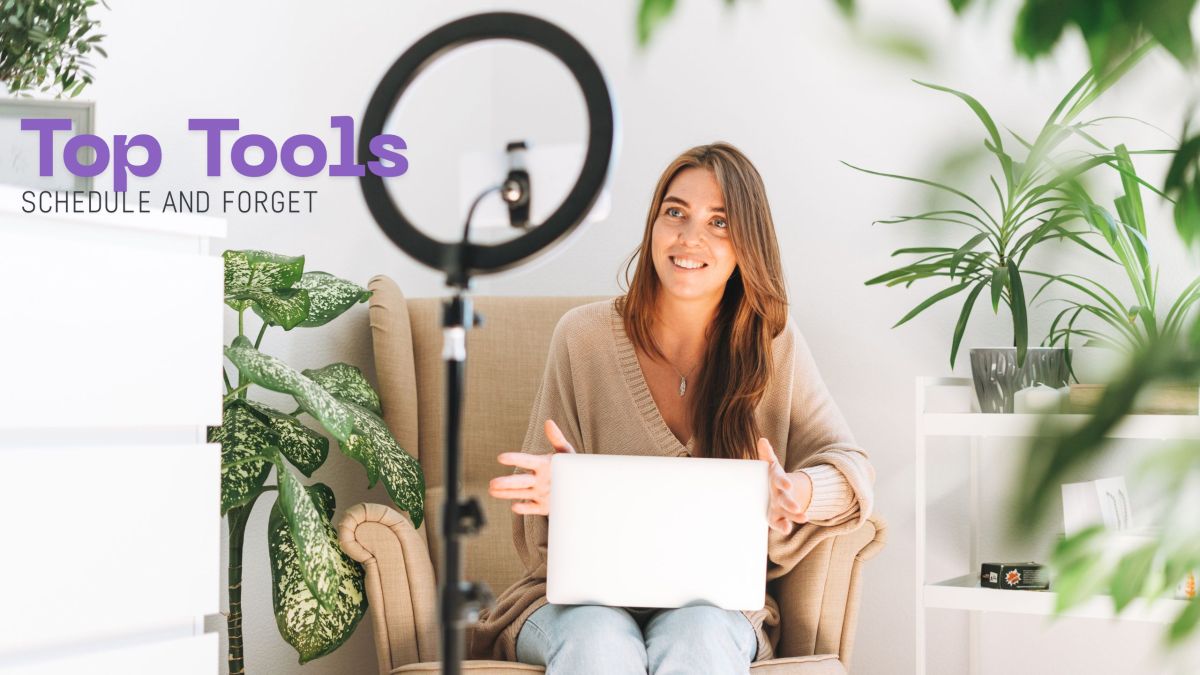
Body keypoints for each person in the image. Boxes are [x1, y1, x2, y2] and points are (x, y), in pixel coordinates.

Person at [467, 142, 875, 674]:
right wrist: (563, 492)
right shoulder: (582, 337)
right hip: (575, 607)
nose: (689, 237)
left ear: (748, 243)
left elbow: (853, 470)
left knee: (699, 636)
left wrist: (796, 493)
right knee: (598, 639)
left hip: (713, 611)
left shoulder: (772, 345)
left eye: (720, 222)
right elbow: (536, 538)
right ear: (653, 226)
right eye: (675, 213)